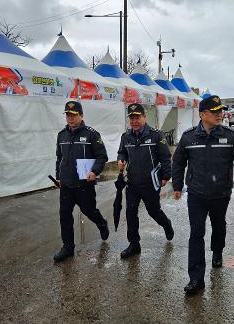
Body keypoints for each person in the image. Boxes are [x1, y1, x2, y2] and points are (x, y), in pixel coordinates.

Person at [172, 95, 234, 295]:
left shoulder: (231, 136)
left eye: (220, 111)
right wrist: (176, 185)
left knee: (219, 226)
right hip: (196, 194)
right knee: (196, 233)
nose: (219, 115)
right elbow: (179, 162)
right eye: (214, 112)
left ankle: (217, 251)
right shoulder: (189, 137)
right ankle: (196, 279)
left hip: (220, 193)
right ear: (202, 115)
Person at [53, 101, 110, 262]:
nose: (70, 118)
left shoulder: (92, 134)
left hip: (84, 184)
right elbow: (59, 158)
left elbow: (102, 156)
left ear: (81, 115)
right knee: (64, 215)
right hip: (66, 184)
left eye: (74, 115)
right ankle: (68, 248)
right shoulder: (61, 135)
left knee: (89, 211)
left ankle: (101, 223)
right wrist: (58, 176)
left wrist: (94, 171)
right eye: (68, 115)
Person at [117, 103, 174, 258]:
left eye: (137, 117)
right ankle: (134, 244)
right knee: (130, 212)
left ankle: (166, 224)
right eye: (132, 118)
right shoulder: (126, 136)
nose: (134, 121)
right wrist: (121, 159)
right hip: (133, 182)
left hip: (150, 183)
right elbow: (122, 152)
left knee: (153, 211)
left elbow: (165, 157)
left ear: (144, 117)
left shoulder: (156, 135)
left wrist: (165, 177)